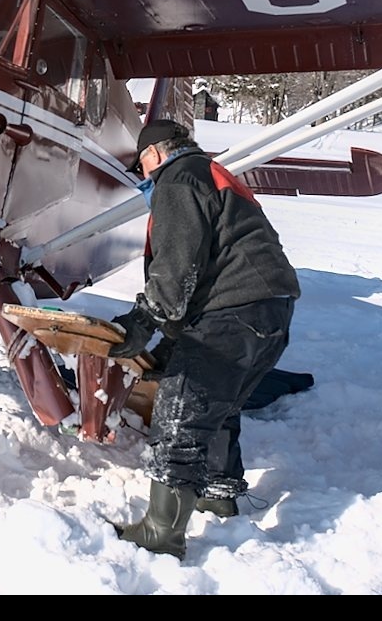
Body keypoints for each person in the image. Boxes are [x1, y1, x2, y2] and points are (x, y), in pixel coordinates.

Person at [106, 119, 301, 559]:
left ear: (154, 154)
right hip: (271, 310)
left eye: (143, 166)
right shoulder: (211, 174)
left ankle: (161, 533)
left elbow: (177, 266)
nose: (144, 177)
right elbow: (210, 265)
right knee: (216, 403)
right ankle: (217, 493)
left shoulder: (178, 180)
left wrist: (143, 320)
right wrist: (171, 344)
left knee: (180, 412)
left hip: (233, 311)